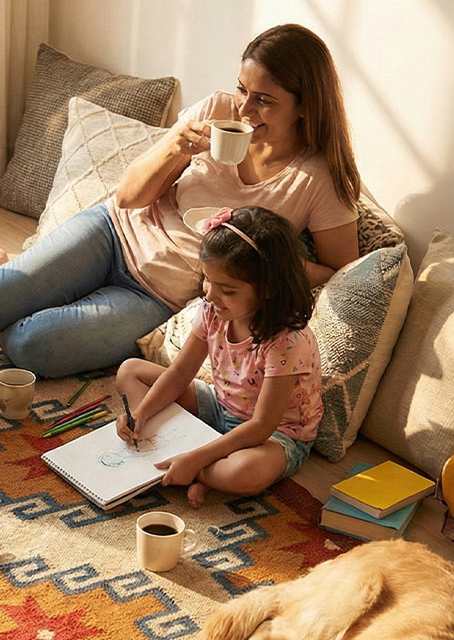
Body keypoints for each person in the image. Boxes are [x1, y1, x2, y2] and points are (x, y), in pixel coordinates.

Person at [0, 23, 360, 378]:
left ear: (305, 106)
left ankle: (32, 302)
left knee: (32, 348)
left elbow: (341, 271)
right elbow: (129, 196)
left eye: (265, 101)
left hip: (158, 293)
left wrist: (263, 258)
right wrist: (176, 147)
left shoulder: (318, 179)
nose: (245, 110)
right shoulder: (215, 110)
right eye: (242, 90)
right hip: (114, 231)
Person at [114, 206, 323, 508]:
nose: (211, 295)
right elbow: (179, 375)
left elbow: (262, 425)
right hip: (219, 407)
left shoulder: (288, 341)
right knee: (130, 371)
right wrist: (141, 414)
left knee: (246, 473)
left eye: (227, 289)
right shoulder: (213, 311)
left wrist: (198, 457)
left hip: (276, 435)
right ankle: (186, 457)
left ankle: (196, 468)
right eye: (208, 281)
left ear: (267, 290)